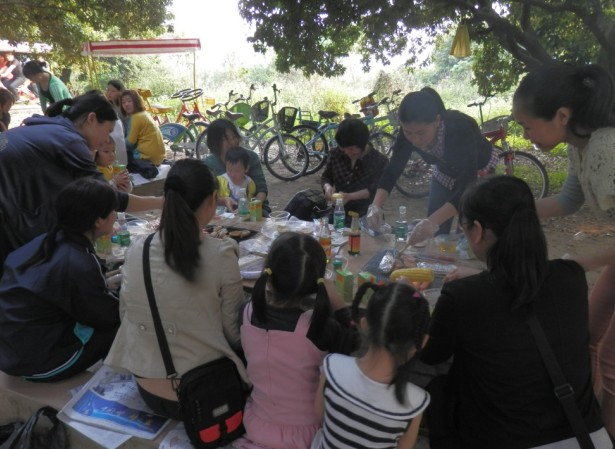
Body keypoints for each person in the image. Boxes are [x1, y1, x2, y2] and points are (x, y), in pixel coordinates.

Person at [420, 175, 609, 448]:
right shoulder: (571, 277)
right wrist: (477, 277)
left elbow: (431, 355)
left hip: (504, 439)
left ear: (478, 230)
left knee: (435, 386)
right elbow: (521, 286)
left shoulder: (461, 296)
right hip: (585, 435)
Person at [512, 62, 615, 437]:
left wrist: (576, 262)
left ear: (562, 116)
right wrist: (511, 210)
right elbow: (568, 200)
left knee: (611, 362)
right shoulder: (579, 145)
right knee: (585, 334)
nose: (525, 135)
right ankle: (586, 421)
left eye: (527, 126)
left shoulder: (606, 149)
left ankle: (606, 437)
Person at [105, 159, 247, 419]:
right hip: (202, 393)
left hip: (148, 388)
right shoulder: (221, 253)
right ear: (212, 200)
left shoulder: (138, 249)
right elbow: (233, 334)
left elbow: (126, 312)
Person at [0, 92, 163, 277]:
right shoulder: (70, 140)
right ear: (91, 119)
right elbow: (106, 196)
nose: (107, 139)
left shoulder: (49, 128)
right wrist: (160, 202)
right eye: (108, 131)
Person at [234, 232, 360, 449]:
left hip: (258, 423)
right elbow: (353, 342)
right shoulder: (317, 326)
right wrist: (339, 305)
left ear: (269, 274)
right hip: (307, 432)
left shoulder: (246, 312)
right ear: (317, 283)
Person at [0, 178, 121, 381]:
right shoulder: (80, 262)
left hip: (10, 351)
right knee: (124, 324)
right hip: (41, 363)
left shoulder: (44, 242)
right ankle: (115, 383)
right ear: (99, 221)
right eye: (113, 211)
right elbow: (106, 315)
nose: (116, 215)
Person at [311, 282, 430, 449]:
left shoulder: (332, 367)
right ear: (423, 341)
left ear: (364, 325)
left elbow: (319, 416)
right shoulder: (414, 402)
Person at [367, 87, 497, 240]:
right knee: (435, 232)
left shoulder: (461, 127)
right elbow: (393, 170)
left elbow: (466, 184)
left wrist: (431, 221)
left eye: (421, 133)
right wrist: (375, 205)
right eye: (408, 133)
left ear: (437, 121)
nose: (415, 140)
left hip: (478, 170)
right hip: (444, 171)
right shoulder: (408, 131)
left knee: (469, 231)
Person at [321, 118, 388, 221]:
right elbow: (326, 177)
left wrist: (350, 196)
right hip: (339, 212)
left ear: (362, 144)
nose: (346, 152)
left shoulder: (379, 161)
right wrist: (327, 187)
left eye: (351, 148)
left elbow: (375, 190)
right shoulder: (336, 154)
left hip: (367, 215)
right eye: (343, 148)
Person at [204, 118, 269, 213]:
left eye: (234, 137)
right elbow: (207, 196)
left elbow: (261, 189)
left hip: (255, 209)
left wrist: (253, 206)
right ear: (215, 142)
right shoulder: (209, 163)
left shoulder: (251, 157)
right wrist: (223, 201)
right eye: (227, 139)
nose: (233, 142)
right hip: (224, 212)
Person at [120, 89, 166, 166]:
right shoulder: (144, 114)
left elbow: (130, 142)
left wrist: (116, 142)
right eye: (123, 102)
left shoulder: (136, 117)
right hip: (159, 157)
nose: (126, 104)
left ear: (136, 101)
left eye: (129, 101)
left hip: (147, 158)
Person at [217, 146, 256, 211]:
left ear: (246, 168)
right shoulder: (220, 181)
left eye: (237, 171)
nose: (233, 175)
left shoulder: (250, 184)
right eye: (229, 170)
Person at [104, 79, 128, 165]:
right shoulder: (109, 106)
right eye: (108, 90)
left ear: (120, 92)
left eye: (113, 91)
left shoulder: (123, 106)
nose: (109, 93)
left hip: (126, 138)